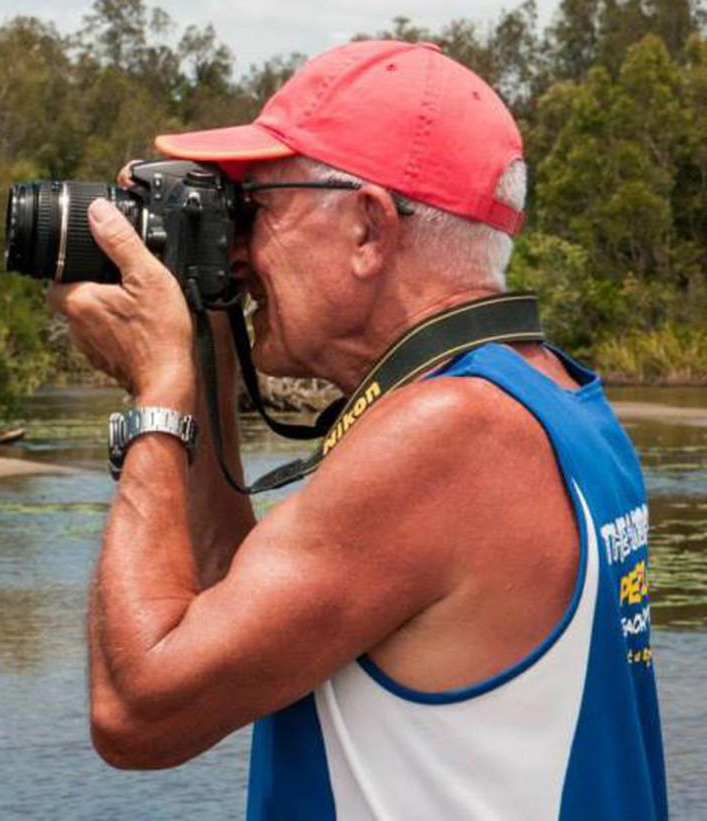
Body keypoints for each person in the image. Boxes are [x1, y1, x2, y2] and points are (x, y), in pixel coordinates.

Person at [49, 40, 668, 820]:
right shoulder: (558, 399)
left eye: (255, 209)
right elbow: (245, 610)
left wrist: (157, 398)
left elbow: (138, 711)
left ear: (370, 229)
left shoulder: (450, 435)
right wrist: (204, 358)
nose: (235, 251)